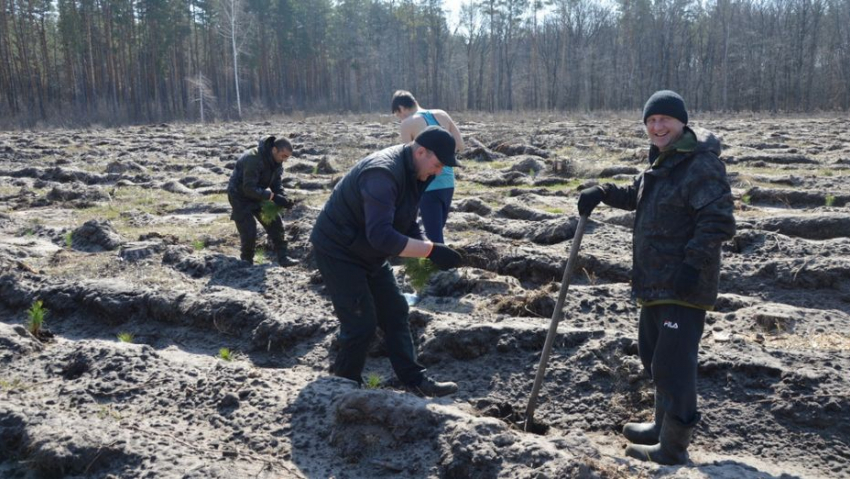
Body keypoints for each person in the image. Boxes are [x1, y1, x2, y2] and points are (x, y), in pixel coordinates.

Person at [577, 90, 735, 465]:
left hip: (682, 285)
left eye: (664, 119)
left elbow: (718, 221)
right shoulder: (664, 161)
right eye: (651, 121)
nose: (657, 126)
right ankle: (660, 424)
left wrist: (691, 267)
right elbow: (639, 195)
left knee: (673, 365)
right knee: (652, 357)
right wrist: (603, 191)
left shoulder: (700, 164)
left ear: (682, 122)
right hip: (654, 283)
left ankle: (673, 446)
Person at [310, 126, 463, 397]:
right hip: (339, 250)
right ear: (421, 151)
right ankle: (343, 389)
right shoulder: (382, 174)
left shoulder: (418, 171)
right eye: (438, 164)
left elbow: (406, 220)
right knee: (361, 323)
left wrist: (432, 246)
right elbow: (381, 236)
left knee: (395, 311)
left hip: (368, 251)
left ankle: (414, 380)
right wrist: (430, 251)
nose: (439, 172)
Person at [391, 90, 464, 244]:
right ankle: (435, 263)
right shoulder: (442, 115)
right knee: (437, 230)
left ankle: (439, 266)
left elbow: (407, 158)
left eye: (398, 115)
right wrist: (442, 157)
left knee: (434, 237)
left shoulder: (408, 123)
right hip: (448, 182)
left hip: (426, 183)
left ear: (401, 108)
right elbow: (460, 145)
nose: (400, 118)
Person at [227, 135, 298, 267]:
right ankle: (246, 262)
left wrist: (283, 197)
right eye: (283, 156)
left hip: (259, 194)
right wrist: (272, 197)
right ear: (274, 150)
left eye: (288, 157)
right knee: (249, 230)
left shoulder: (277, 162)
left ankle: (283, 257)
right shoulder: (254, 158)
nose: (285, 160)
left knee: (275, 222)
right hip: (239, 196)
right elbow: (248, 188)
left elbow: (276, 182)